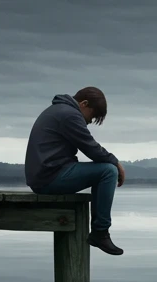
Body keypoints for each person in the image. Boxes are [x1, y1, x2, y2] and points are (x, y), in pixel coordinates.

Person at [24, 86, 126, 255]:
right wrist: (116, 163)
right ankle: (100, 232)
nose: (89, 122)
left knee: (106, 169)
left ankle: (100, 232)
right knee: (108, 171)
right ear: (84, 103)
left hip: (45, 175)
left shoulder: (58, 110)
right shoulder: (69, 115)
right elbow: (91, 148)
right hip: (49, 178)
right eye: (92, 117)